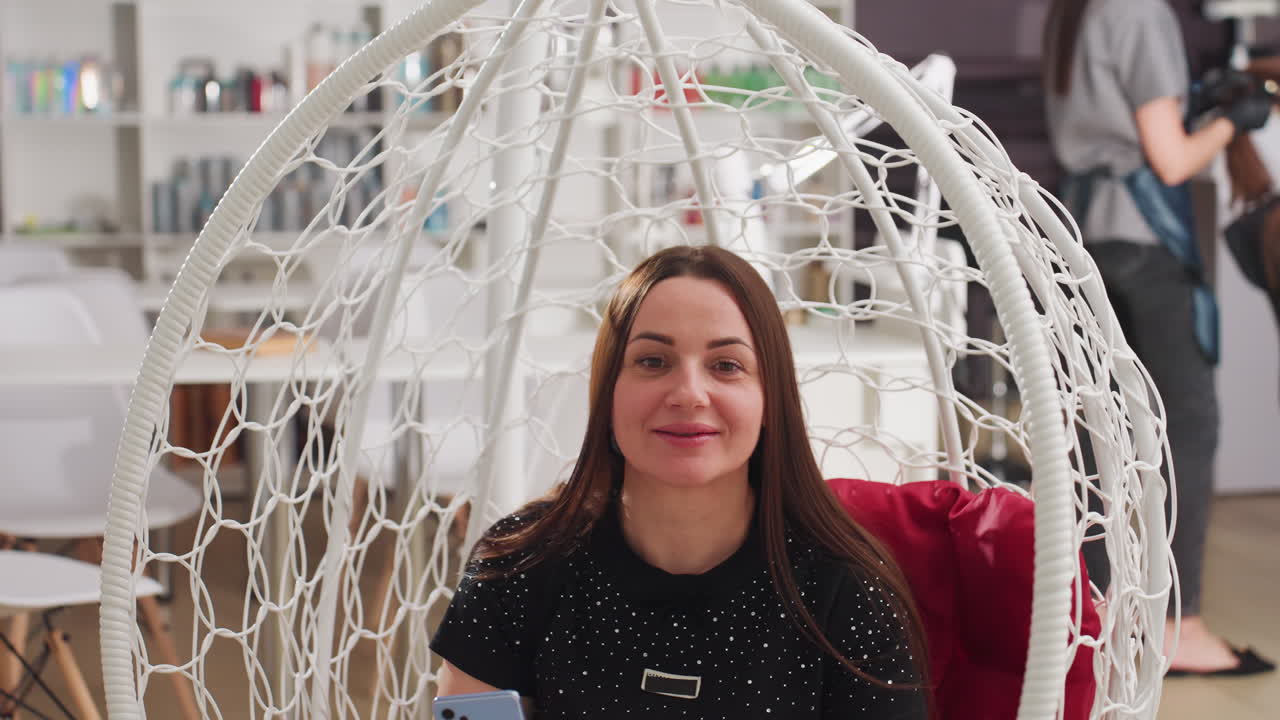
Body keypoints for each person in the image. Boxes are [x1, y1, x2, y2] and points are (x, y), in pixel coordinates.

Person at [430, 245, 930, 718]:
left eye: (726, 366)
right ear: (608, 390)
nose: (689, 393)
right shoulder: (516, 563)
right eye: (653, 361)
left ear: (770, 399)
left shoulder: (850, 591)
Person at [1043, 0, 1276, 676]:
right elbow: (1170, 161)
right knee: (1188, 429)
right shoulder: (1141, 11)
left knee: (1097, 434)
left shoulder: (1074, 12)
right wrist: (1237, 119)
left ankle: (1096, 613)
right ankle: (1181, 628)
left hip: (1086, 238)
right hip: (1145, 242)